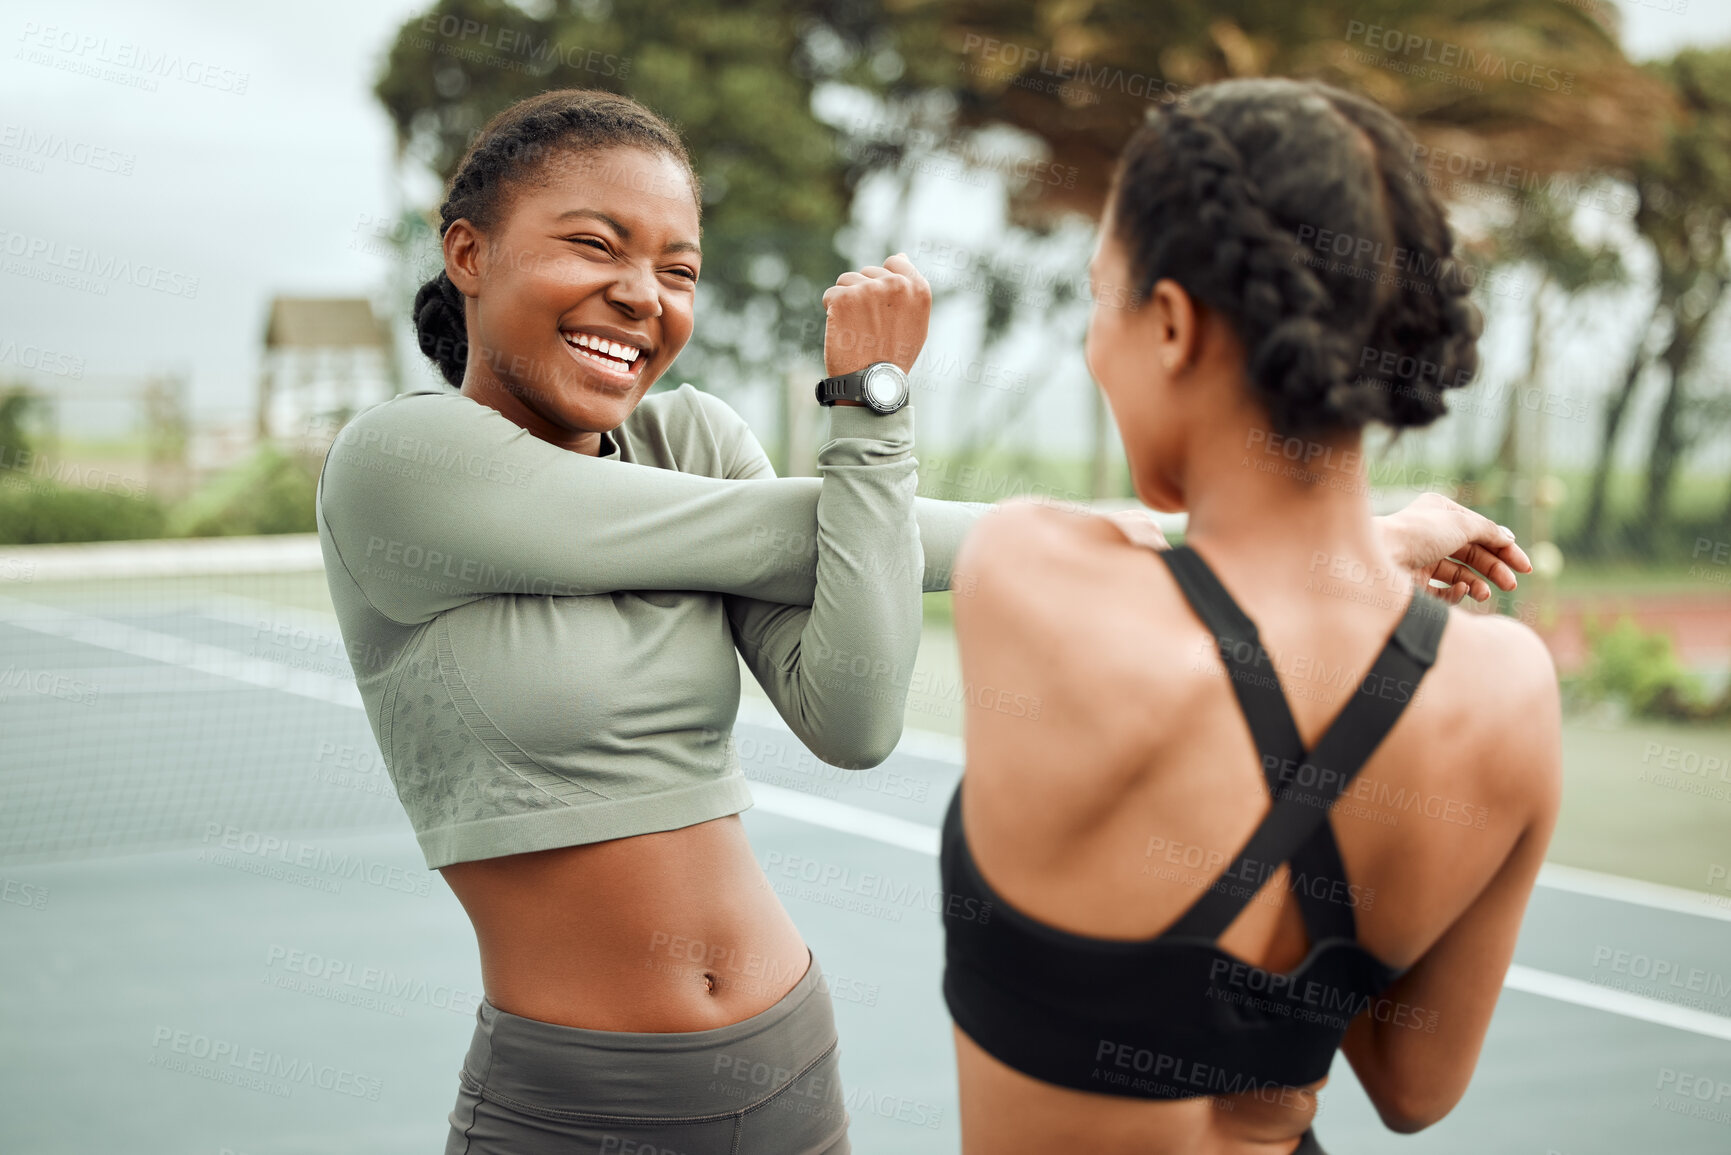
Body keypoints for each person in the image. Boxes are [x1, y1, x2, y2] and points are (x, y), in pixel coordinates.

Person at [318, 86, 1529, 1154]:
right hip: (577, 1098)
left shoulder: (696, 440)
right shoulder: (398, 467)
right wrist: (873, 409)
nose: (640, 297)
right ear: (468, 251)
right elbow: (814, 532)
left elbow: (852, 720)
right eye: (596, 245)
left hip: (787, 1052)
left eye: (679, 270)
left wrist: (867, 447)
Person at [938, 78, 1560, 1155]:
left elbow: (1160, 558)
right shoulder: (1509, 693)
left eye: (1102, 296)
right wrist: (1363, 566)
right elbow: (1416, 1087)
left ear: (1171, 323)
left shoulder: (1032, 574)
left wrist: (1368, 544)